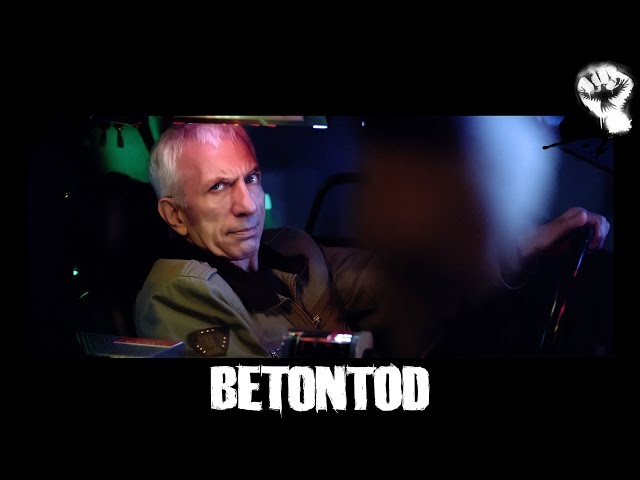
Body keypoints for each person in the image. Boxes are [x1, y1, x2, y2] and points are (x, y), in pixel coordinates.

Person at [134, 122, 610, 358]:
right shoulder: (179, 291)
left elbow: (406, 280)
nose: (248, 204)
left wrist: (524, 245)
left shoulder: (293, 249)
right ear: (175, 215)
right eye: (219, 187)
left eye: (252, 179)